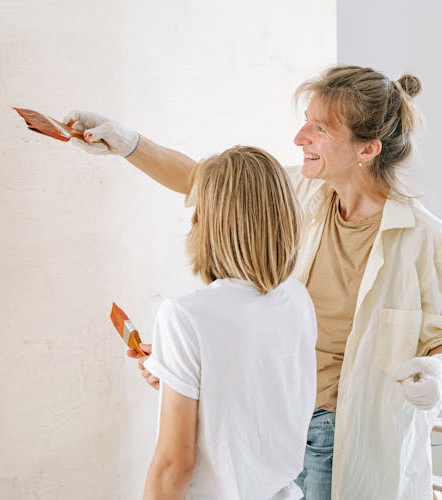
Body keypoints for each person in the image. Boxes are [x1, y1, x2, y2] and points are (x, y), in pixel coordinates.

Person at [65, 65, 442, 500]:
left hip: (342, 432)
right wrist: (126, 142)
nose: (301, 138)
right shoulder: (300, 192)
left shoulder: (428, 240)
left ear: (367, 149)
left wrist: (439, 365)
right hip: (278, 422)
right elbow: (206, 181)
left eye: (319, 128)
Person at [134, 146, 316, 500]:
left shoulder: (184, 316)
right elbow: (257, 390)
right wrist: (178, 371)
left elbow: (175, 463)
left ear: (211, 222)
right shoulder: (297, 299)